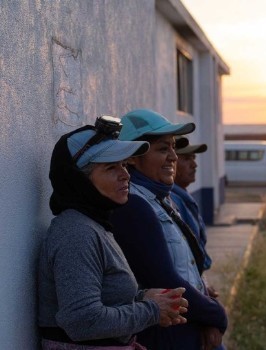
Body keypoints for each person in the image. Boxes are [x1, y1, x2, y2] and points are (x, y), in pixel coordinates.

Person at [37, 117, 189, 350]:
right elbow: (82, 321)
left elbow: (103, 302)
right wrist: (152, 310)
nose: (125, 175)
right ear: (80, 180)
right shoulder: (76, 233)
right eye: (111, 167)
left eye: (124, 165)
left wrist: (144, 298)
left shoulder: (94, 224)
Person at [110, 109, 228, 349]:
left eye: (173, 148)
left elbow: (184, 266)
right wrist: (215, 315)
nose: (173, 156)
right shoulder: (134, 205)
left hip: (186, 324)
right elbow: (164, 280)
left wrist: (203, 293)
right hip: (169, 336)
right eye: (163, 149)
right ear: (132, 156)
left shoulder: (160, 199)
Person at [171, 137, 215, 291]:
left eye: (194, 158)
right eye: (186, 159)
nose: (194, 164)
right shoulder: (173, 202)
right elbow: (185, 257)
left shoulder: (183, 197)